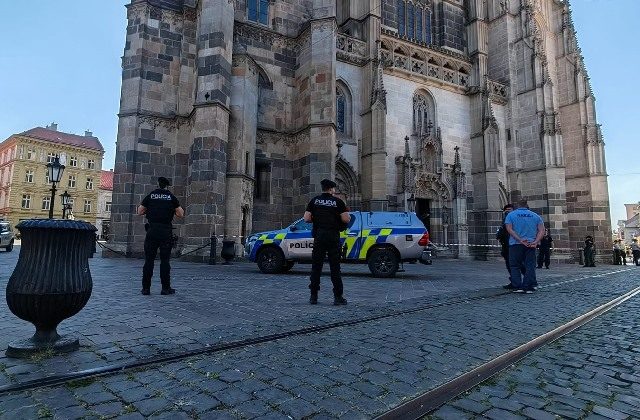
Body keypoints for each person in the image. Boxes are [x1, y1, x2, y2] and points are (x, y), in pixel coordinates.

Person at [304, 179, 351, 305]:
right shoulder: (338, 202)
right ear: (332, 189)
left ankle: (313, 297)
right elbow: (346, 219)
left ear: (323, 188)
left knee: (316, 267)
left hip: (319, 236)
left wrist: (317, 218)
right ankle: (338, 297)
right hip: (333, 237)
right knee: (335, 268)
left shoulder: (314, 201)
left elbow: (306, 218)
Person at [137, 177, 184, 295]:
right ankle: (165, 288)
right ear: (167, 186)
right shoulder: (171, 197)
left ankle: (146, 288)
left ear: (158, 184)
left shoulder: (151, 195)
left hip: (152, 231)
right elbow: (180, 214)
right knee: (165, 261)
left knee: (149, 261)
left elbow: (140, 211)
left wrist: (150, 211)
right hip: (165, 231)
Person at [504, 199, 545, 293]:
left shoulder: (511, 215)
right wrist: (536, 241)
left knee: (515, 266)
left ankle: (517, 286)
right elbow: (541, 230)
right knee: (530, 265)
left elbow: (509, 229)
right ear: (526, 205)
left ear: (517, 205)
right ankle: (527, 286)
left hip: (515, 244)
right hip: (531, 244)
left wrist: (520, 239)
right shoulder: (536, 216)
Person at [496, 204, 516, 289]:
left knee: (517, 265)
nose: (507, 212)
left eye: (509, 210)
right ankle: (514, 282)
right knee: (510, 265)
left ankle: (526, 282)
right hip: (506, 246)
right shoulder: (505, 220)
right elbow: (500, 232)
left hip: (515, 245)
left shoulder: (515, 219)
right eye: (506, 210)